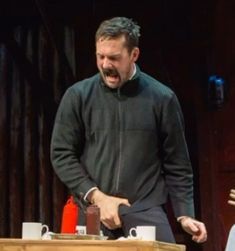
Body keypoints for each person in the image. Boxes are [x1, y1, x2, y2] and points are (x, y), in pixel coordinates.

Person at [50, 16, 207, 243]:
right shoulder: (78, 96)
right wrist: (97, 197)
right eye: (100, 56)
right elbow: (61, 153)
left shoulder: (162, 98)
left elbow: (178, 164)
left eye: (114, 58)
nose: (105, 65)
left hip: (144, 208)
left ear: (134, 55)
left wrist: (185, 215)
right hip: (92, 208)